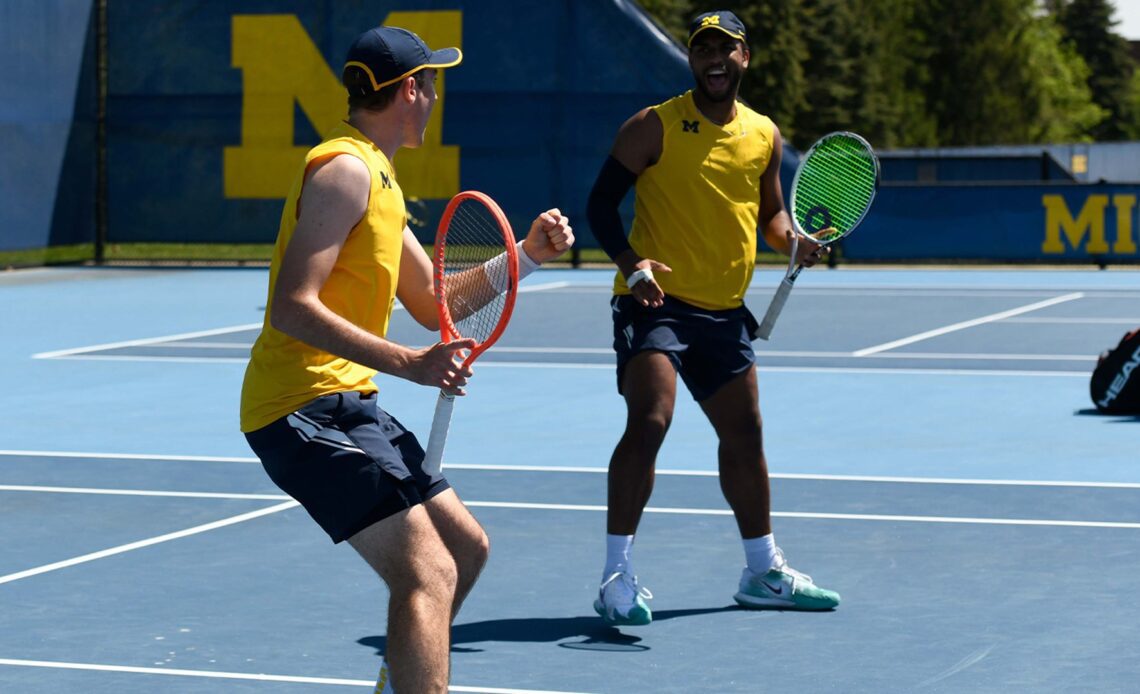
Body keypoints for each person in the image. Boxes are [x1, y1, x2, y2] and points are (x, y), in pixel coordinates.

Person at [239, 25, 573, 692]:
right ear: (411, 91)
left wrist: (528, 255)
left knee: (464, 551)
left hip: (348, 405)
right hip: (297, 408)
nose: (436, 98)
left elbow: (435, 301)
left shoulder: (379, 177)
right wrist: (411, 364)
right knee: (428, 573)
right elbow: (292, 307)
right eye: (433, 85)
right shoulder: (345, 171)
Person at [585, 10, 839, 626]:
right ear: (692, 60)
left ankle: (762, 571)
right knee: (650, 419)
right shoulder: (654, 126)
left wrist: (795, 242)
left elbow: (773, 216)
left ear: (745, 58)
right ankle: (616, 577)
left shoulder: (763, 135)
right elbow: (599, 205)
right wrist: (631, 264)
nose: (714, 60)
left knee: (745, 433)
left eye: (726, 49)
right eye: (703, 50)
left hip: (724, 314)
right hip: (655, 304)